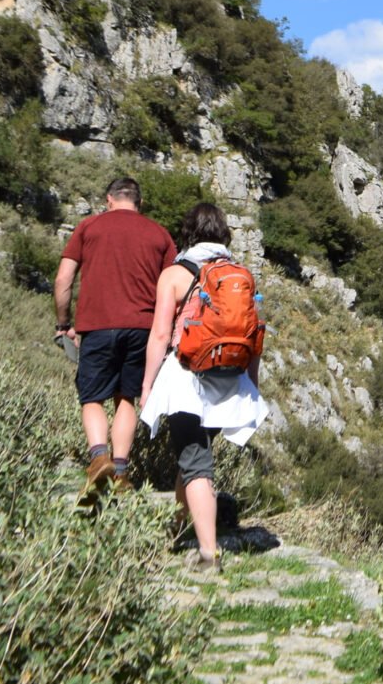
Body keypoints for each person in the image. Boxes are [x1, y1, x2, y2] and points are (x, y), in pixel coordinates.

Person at [139, 202, 269, 572]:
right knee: (192, 457)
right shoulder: (241, 275)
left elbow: (161, 334)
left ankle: (208, 553)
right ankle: (181, 525)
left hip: (186, 381)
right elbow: (255, 335)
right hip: (229, 383)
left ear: (188, 233)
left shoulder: (175, 275)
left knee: (196, 465)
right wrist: (252, 385)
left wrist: (147, 386)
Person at [53, 176, 177, 500]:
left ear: (109, 199)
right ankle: (120, 473)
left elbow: (64, 279)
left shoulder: (88, 227)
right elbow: (173, 288)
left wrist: (62, 322)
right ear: (139, 203)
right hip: (142, 328)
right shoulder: (159, 234)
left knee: (91, 397)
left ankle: (98, 459)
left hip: (96, 325)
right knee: (127, 397)